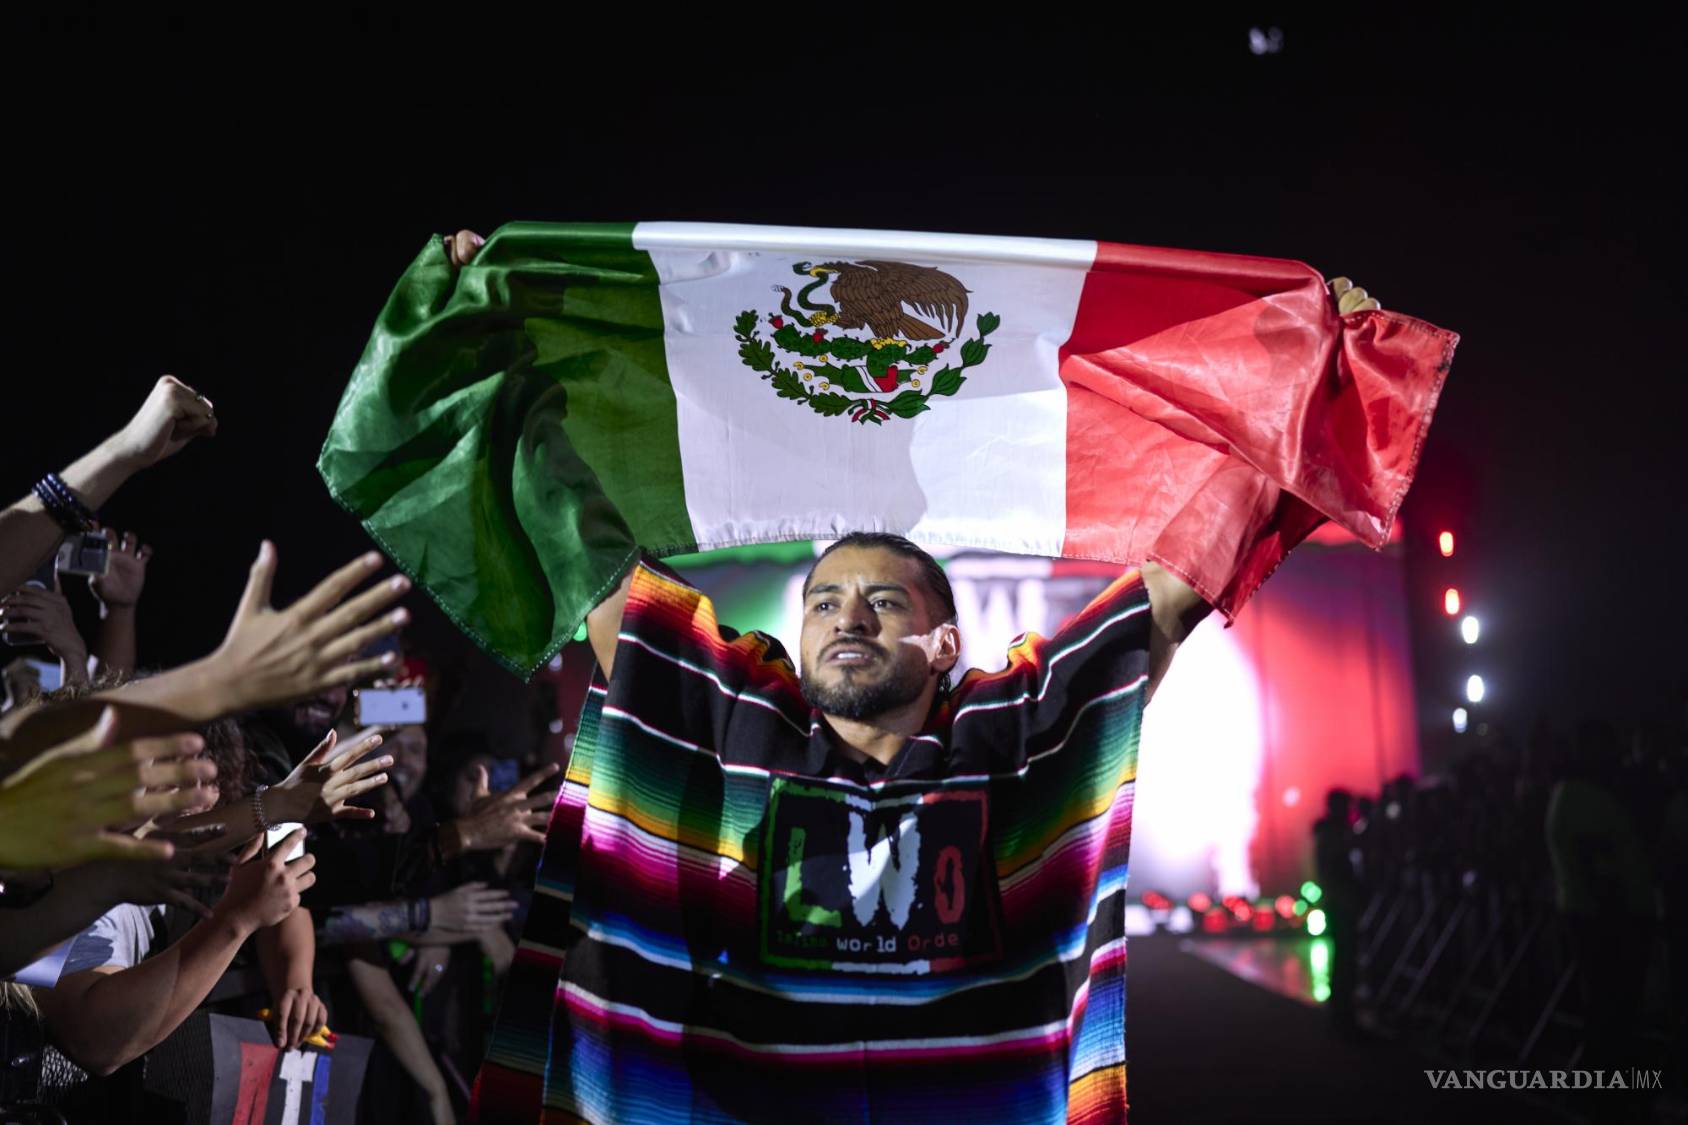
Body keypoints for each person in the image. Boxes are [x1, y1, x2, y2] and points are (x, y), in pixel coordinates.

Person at [438, 228, 1391, 1122]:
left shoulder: (1016, 725)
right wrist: (494, 360)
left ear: (944, 641)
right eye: (824, 603)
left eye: (884, 602)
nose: (847, 615)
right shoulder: (733, 710)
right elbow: (586, 555)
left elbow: (1179, 582)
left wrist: (1298, 396)